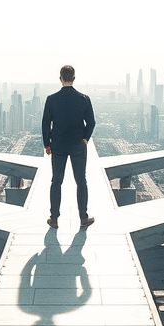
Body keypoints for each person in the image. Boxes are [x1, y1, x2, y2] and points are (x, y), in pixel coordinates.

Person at [42, 64, 95, 228]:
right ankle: (83, 218)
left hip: (57, 145)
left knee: (56, 181)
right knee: (81, 181)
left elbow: (45, 124)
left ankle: (54, 219)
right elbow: (91, 122)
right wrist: (85, 138)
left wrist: (47, 144)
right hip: (78, 145)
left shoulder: (52, 99)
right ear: (73, 78)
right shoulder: (84, 99)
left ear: (60, 78)